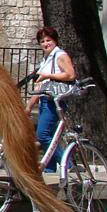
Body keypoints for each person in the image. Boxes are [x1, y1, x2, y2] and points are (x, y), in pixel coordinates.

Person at [25, 26, 76, 173]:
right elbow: (42, 86)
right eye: (42, 41)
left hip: (55, 102)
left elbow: (70, 75)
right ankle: (49, 171)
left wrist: (48, 75)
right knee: (51, 138)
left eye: (48, 40)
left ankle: (67, 165)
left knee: (42, 135)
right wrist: (29, 105)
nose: (45, 44)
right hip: (45, 101)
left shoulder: (60, 55)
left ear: (55, 41)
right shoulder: (47, 58)